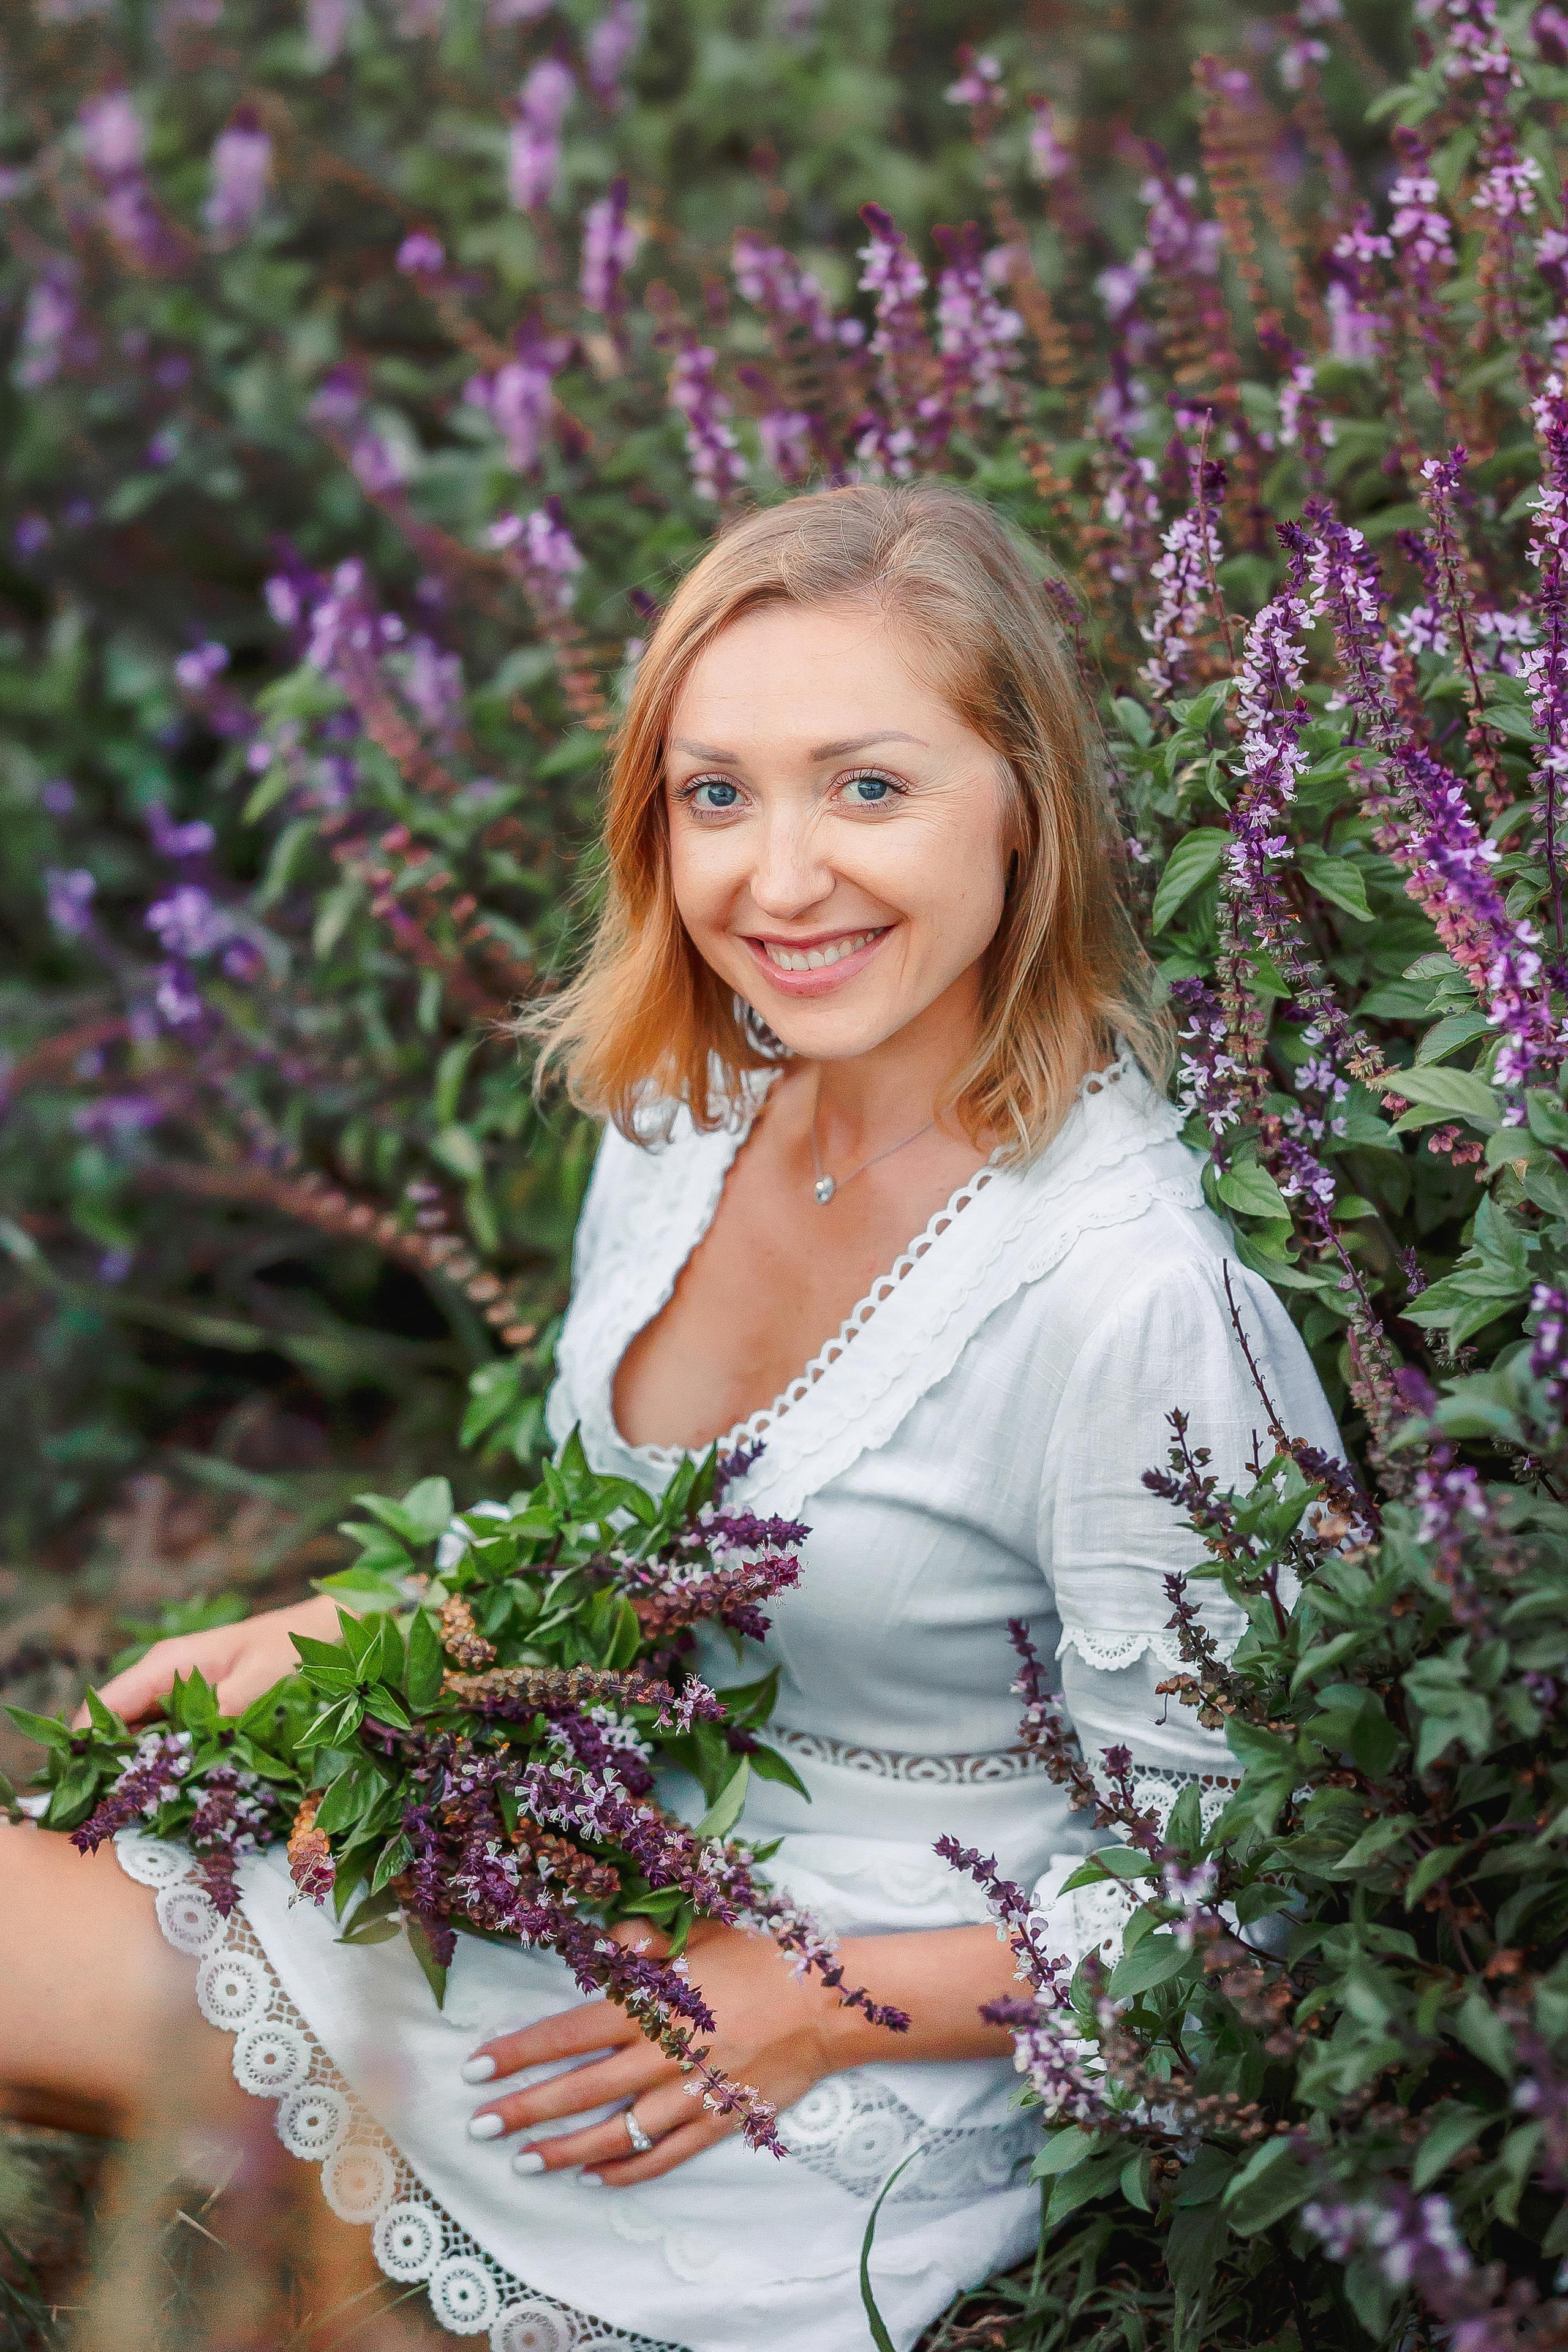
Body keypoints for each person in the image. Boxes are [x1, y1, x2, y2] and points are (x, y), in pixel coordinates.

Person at [0, 483, 1341, 2352]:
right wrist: (388, 1635)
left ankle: (335, 2207)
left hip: (868, 2001)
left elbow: (1244, 1899)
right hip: (593, 1837)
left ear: (1027, 806)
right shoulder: (686, 1117)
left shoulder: (1124, 1294)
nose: (776, 882)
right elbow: (630, 1554)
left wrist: (803, 2009)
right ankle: (304, 2190)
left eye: (867, 787)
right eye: (718, 794)